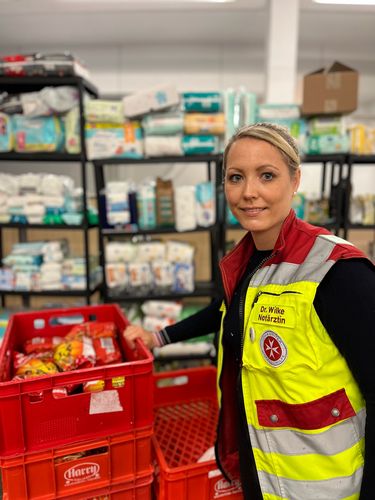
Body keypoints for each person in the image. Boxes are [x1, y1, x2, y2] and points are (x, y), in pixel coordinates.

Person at [124, 122, 375, 500]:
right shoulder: (246, 260)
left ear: (295, 181)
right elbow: (228, 310)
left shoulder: (338, 272)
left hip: (326, 488)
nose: (248, 193)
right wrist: (158, 337)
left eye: (267, 175)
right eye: (236, 177)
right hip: (261, 469)